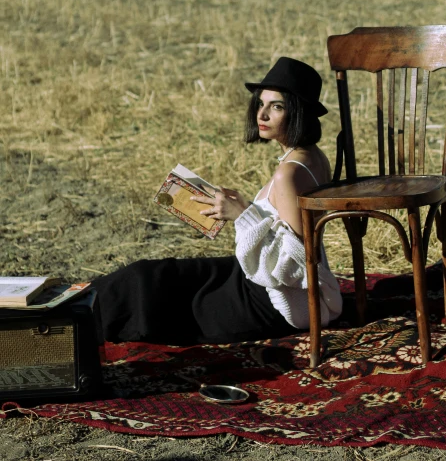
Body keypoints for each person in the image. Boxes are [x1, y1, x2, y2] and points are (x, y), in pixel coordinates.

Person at [92, 57, 342, 345]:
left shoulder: (291, 172)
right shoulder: (310, 155)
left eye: (277, 106)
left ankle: (73, 317)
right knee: (153, 273)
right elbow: (286, 229)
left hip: (273, 303)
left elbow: (298, 267)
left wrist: (244, 214)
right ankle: (79, 304)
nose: (261, 115)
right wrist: (245, 206)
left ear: (298, 112)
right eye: (260, 104)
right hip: (259, 283)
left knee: (151, 295)